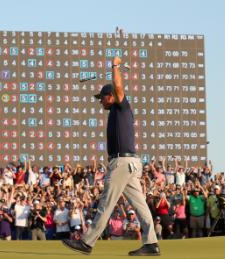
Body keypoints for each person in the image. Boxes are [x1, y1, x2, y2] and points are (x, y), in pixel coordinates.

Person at [62, 57, 159, 256]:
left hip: (122, 163)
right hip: (130, 163)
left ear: (111, 96)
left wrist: (114, 66)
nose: (101, 101)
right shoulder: (116, 112)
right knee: (140, 206)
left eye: (102, 98)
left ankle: (87, 243)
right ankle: (151, 243)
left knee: (106, 203)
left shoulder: (121, 106)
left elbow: (118, 85)